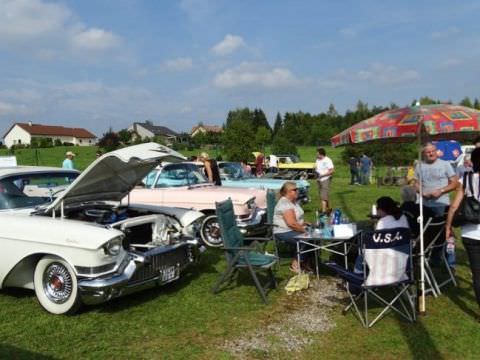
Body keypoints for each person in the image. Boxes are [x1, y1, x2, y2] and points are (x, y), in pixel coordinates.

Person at [446, 147, 480, 315]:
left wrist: (448, 227)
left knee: (477, 273)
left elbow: (453, 207)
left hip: (470, 232)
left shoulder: (465, 179)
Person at [415, 142, 458, 268]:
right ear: (423, 154)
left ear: (436, 151)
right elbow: (416, 183)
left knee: (447, 233)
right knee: (426, 233)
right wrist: (421, 191)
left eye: (433, 151)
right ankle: (433, 259)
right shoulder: (419, 165)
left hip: (441, 204)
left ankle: (450, 262)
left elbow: (454, 183)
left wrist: (441, 191)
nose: (431, 153)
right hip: (424, 205)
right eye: (428, 152)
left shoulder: (445, 164)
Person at [354, 196, 409, 273]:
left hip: (386, 257)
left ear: (381, 209)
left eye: (377, 208)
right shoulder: (403, 218)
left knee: (361, 256)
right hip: (403, 256)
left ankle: (358, 277)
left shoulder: (383, 222)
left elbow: (377, 242)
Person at [273, 181, 310, 273]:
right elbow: (291, 223)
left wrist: (305, 224)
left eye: (297, 189)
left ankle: (306, 261)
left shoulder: (293, 202)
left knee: (315, 237)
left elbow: (295, 220)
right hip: (283, 232)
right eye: (295, 190)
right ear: (288, 192)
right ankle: (295, 264)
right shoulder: (285, 203)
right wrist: (305, 231)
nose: (297, 191)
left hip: (292, 229)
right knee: (307, 239)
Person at [315, 148, 334, 213]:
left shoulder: (328, 160)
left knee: (323, 195)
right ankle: (329, 208)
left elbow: (332, 171)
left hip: (326, 179)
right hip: (319, 179)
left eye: (317, 153)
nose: (316, 155)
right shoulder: (317, 160)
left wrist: (322, 175)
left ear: (321, 154)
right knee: (322, 195)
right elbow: (317, 168)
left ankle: (323, 211)